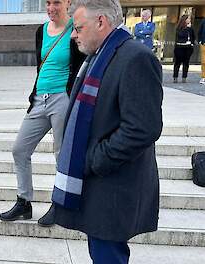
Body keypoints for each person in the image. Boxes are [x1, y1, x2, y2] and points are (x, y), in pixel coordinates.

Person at [48, 0, 163, 263]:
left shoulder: (136, 58)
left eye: (78, 27)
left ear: (101, 22)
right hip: (100, 187)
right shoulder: (101, 56)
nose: (74, 35)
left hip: (114, 188)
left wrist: (92, 159)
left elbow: (142, 129)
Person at [0, 0, 85, 226]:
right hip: (39, 99)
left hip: (62, 99)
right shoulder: (41, 31)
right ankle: (24, 202)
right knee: (19, 149)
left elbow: (80, 67)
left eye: (56, 2)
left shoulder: (75, 30)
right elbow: (41, 66)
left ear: (68, 3)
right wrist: (36, 93)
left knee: (61, 155)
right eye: (47, 2)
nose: (51, 7)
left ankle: (61, 205)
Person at [173, 14, 196, 83]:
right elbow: (181, 36)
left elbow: (193, 36)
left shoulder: (190, 28)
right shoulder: (179, 28)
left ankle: (184, 77)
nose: (189, 20)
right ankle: (175, 77)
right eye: (188, 19)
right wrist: (187, 29)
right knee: (177, 63)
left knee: (186, 63)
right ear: (184, 20)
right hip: (179, 47)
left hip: (188, 47)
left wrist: (192, 44)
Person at [198, 19, 205, 85]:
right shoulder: (203, 21)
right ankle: (203, 77)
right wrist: (200, 41)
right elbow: (199, 31)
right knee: (203, 61)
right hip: (204, 44)